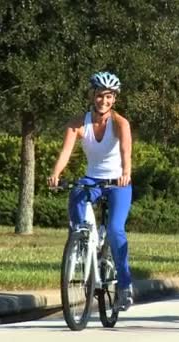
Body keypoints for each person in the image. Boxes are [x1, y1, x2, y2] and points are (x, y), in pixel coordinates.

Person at [48, 71, 134, 312]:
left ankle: (125, 285)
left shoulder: (120, 123)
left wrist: (126, 172)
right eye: (99, 95)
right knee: (76, 197)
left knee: (116, 229)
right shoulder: (78, 122)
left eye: (108, 96)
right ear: (92, 96)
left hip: (118, 182)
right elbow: (66, 151)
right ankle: (83, 243)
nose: (103, 101)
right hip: (92, 179)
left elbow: (127, 152)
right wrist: (56, 173)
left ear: (114, 99)